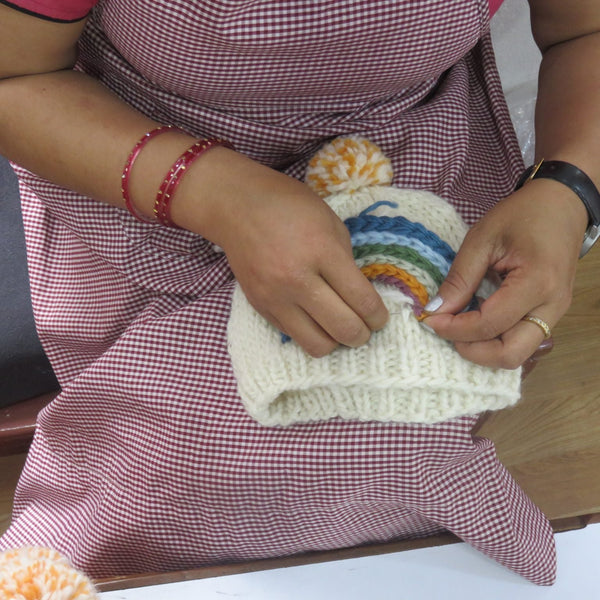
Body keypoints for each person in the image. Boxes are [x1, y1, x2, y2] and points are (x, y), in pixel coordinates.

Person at [0, 0, 597, 579]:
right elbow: (16, 76)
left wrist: (570, 189)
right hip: (140, 159)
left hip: (407, 147)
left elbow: (583, 31)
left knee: (400, 417)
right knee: (178, 462)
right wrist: (213, 192)